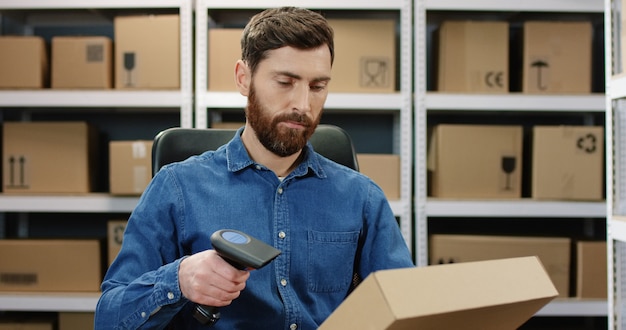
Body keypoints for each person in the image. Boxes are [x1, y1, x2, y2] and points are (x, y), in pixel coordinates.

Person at [95, 6, 414, 329]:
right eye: (285, 82)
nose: (303, 105)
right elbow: (109, 319)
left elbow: (406, 310)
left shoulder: (362, 198)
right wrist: (178, 280)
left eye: (317, 87)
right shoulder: (178, 187)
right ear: (243, 79)